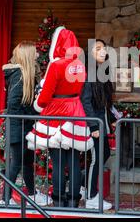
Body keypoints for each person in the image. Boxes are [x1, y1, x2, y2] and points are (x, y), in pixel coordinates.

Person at [25, 26, 93, 208]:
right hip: (75, 110)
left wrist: (37, 105)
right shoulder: (80, 65)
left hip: (56, 112)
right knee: (74, 161)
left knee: (58, 161)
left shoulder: (56, 65)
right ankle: (73, 201)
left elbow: (46, 94)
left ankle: (58, 199)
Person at [0, 41, 51, 206]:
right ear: (28, 55)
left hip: (24, 125)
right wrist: (33, 113)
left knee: (27, 162)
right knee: (16, 163)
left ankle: (33, 194)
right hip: (18, 126)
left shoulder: (25, 74)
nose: (37, 54)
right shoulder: (20, 76)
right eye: (34, 52)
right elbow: (14, 104)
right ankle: (4, 198)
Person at [80, 39, 114, 210]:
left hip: (101, 121)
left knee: (104, 154)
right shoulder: (87, 73)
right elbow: (85, 101)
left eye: (104, 48)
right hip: (94, 124)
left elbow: (104, 101)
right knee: (97, 158)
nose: (103, 51)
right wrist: (93, 126)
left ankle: (83, 186)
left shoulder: (102, 72)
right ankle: (91, 196)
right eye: (98, 49)